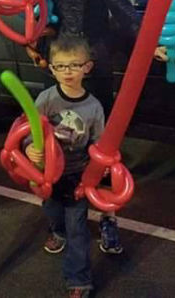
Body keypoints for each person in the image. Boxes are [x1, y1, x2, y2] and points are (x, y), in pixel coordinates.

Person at [36, 0, 175, 253]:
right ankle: (59, 224)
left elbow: (122, 11)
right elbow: (47, 16)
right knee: (58, 144)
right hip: (60, 69)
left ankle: (107, 220)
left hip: (93, 69)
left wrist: (152, 45)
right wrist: (41, 45)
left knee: (101, 149)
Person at [25, 34, 104, 298]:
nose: (67, 71)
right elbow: (27, 131)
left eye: (74, 65)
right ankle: (57, 231)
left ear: (87, 67)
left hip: (76, 175)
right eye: (60, 66)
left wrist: (97, 170)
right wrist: (29, 148)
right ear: (51, 68)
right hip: (47, 173)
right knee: (52, 211)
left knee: (77, 229)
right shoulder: (46, 100)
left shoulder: (93, 107)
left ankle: (79, 281)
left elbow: (98, 144)